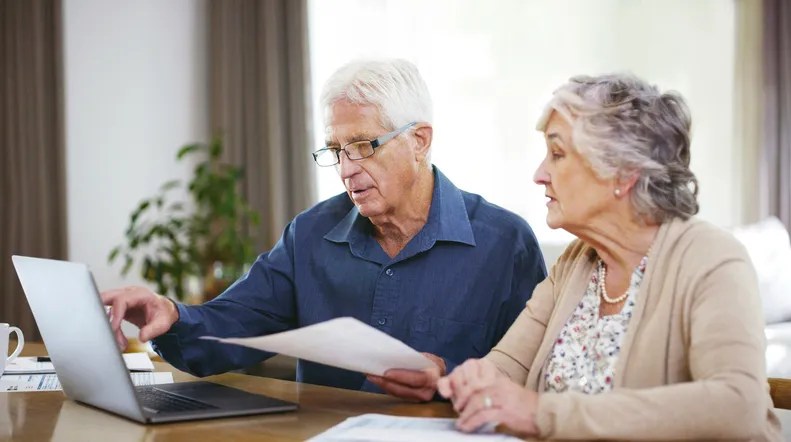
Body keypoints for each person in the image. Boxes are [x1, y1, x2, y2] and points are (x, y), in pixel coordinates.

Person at [101, 59, 547, 401]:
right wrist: (170, 314)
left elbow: (537, 379)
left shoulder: (505, 243)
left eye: (363, 146)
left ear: (420, 141)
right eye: (336, 150)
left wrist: (449, 374)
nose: (347, 169)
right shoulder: (310, 235)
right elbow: (231, 326)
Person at [437, 73, 783, 440]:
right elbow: (507, 366)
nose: (540, 175)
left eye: (557, 154)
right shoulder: (575, 262)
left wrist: (542, 413)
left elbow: (736, 404)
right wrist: (468, 380)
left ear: (623, 173)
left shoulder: (711, 257)